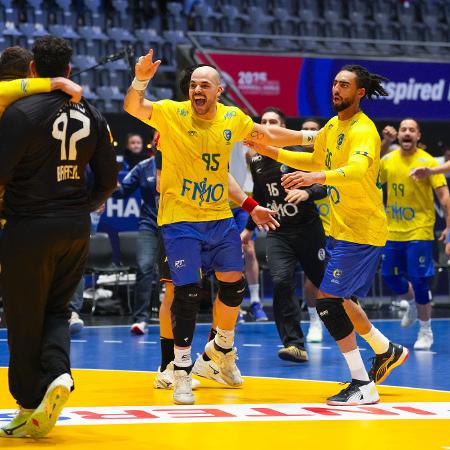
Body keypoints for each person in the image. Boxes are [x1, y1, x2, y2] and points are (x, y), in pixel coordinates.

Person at [124, 49, 314, 405]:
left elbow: (267, 136)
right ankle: (179, 370)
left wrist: (311, 140)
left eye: (204, 85)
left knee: (234, 284)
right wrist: (140, 80)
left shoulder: (232, 119)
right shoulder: (171, 113)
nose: (197, 90)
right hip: (180, 220)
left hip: (218, 218)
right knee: (185, 293)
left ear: (218, 90)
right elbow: (134, 107)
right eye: (193, 84)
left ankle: (221, 349)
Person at [246, 65, 409, 405]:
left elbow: (357, 170)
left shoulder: (364, 130)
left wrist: (315, 178)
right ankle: (385, 349)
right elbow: (307, 157)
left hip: (362, 229)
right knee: (343, 301)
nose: (336, 89)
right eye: (334, 83)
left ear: (360, 92)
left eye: (344, 85)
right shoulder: (333, 126)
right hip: (343, 226)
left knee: (327, 303)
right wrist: (270, 150)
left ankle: (362, 384)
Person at [0, 36, 117, 438]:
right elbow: (108, 180)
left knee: (22, 317)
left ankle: (27, 402)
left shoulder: (20, 112)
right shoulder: (94, 113)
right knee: (57, 309)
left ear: (33, 70)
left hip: (27, 226)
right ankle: (59, 374)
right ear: (68, 71)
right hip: (75, 227)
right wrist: (81, 206)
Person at [242, 107, 327, 363]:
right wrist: (247, 228)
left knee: (327, 286)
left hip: (308, 230)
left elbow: (326, 184)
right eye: (264, 122)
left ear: (283, 129)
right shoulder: (256, 160)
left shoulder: (299, 154)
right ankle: (294, 345)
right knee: (281, 282)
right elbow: (258, 195)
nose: (267, 126)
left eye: (273, 122)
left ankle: (359, 331)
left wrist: (307, 193)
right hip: (279, 232)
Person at [382, 119, 450, 350]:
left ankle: (425, 331)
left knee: (420, 280)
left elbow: (444, 197)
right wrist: (384, 143)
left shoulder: (427, 162)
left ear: (419, 135)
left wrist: (449, 226)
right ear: (399, 135)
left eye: (412, 130)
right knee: (389, 278)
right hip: (392, 231)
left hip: (419, 230)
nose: (407, 133)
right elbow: (369, 175)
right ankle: (410, 301)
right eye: (404, 130)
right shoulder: (388, 160)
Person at [114, 153, 159, 335]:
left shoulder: (181, 159)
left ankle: (177, 317)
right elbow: (122, 190)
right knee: (144, 266)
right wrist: (110, 183)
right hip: (149, 224)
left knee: (176, 273)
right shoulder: (143, 166)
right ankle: (141, 319)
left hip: (175, 224)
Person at [229, 141, 268, 322]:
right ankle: (233, 304)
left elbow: (252, 154)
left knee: (248, 248)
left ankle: (255, 302)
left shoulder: (238, 130)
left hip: (243, 198)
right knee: (228, 254)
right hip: (218, 200)